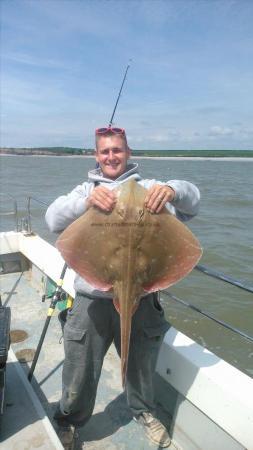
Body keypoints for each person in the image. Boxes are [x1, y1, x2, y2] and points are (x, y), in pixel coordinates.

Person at [45, 127, 200, 449]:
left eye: (117, 150)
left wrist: (172, 190)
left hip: (143, 295)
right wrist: (87, 203)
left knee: (141, 364)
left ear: (128, 153)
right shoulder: (85, 189)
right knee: (80, 369)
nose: (111, 156)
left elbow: (193, 201)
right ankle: (69, 419)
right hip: (91, 300)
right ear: (96, 155)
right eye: (105, 151)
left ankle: (143, 411)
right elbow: (52, 220)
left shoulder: (152, 188)